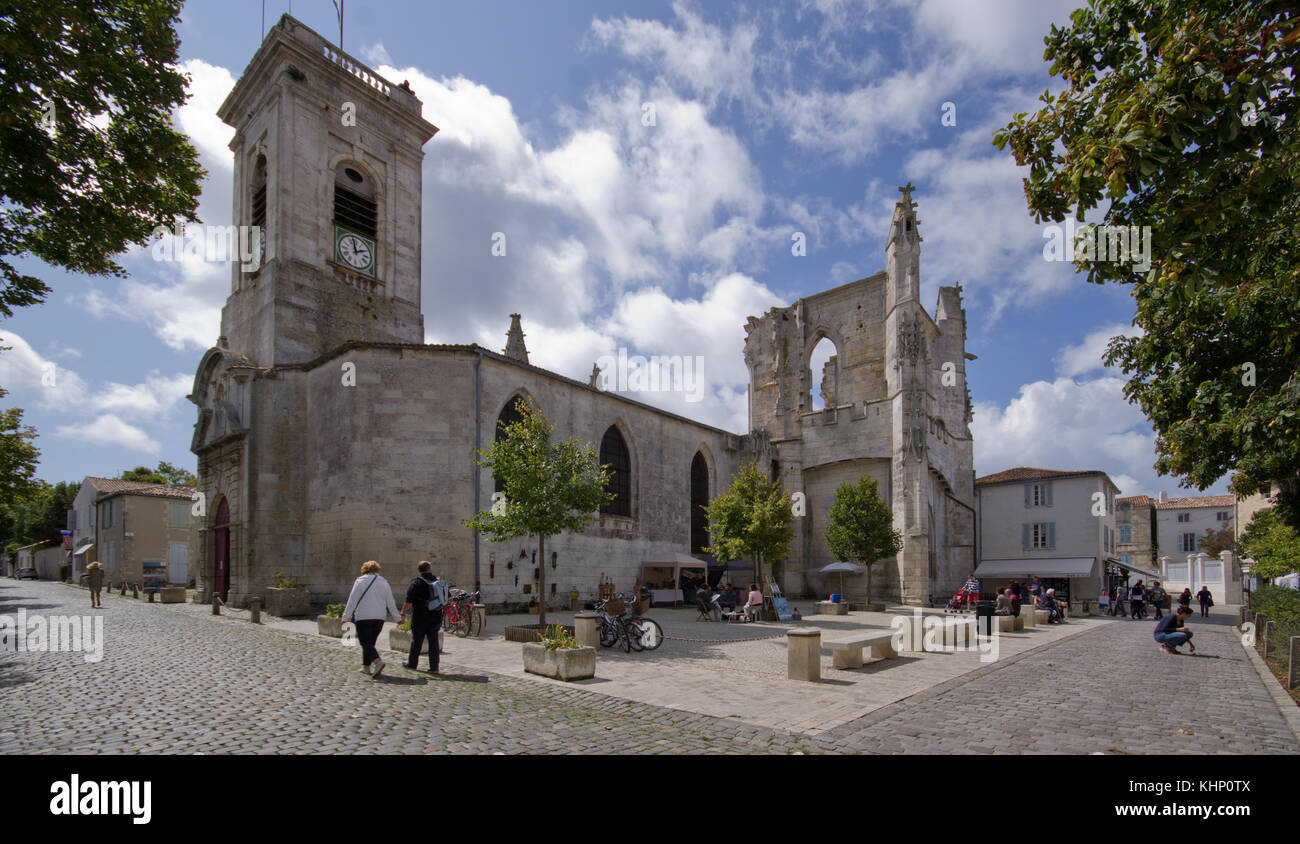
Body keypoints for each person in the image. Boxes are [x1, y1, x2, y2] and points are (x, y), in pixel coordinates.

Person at [341, 560, 401, 678]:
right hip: (379, 618)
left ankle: (378, 662)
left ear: (364, 569)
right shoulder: (384, 583)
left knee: (365, 643)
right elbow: (391, 602)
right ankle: (366, 667)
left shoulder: (360, 582)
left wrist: (345, 617)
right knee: (370, 643)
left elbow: (352, 600)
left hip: (363, 616)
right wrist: (397, 618)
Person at [400, 561, 447, 673]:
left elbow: (409, 601)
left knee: (416, 641)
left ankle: (412, 664)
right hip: (436, 615)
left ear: (419, 570)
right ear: (430, 569)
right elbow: (446, 596)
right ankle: (434, 667)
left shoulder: (416, 582)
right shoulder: (437, 581)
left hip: (420, 616)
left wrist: (403, 613)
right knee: (433, 642)